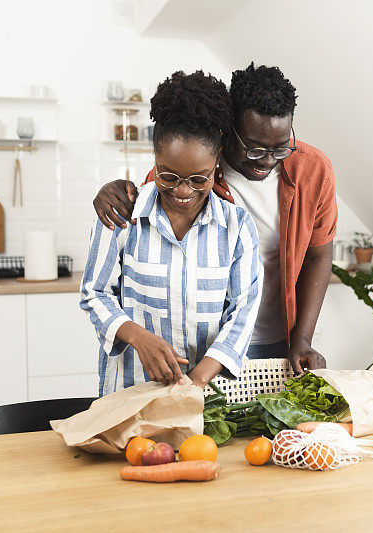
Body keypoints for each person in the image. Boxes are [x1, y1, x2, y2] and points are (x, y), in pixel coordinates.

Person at [93, 63, 337, 375]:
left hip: (279, 339)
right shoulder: (193, 170)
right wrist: (113, 191)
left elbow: (319, 255)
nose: (267, 160)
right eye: (254, 148)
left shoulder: (314, 171)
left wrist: (302, 337)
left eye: (280, 148)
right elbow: (147, 211)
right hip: (206, 345)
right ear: (228, 129)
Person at [81, 70, 262, 395]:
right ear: (154, 157)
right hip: (128, 391)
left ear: (216, 160)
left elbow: (243, 312)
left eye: (199, 179)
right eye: (168, 176)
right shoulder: (122, 213)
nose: (182, 191)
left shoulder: (236, 227)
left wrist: (196, 382)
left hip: (206, 397)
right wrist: (138, 337)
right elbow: (95, 293)